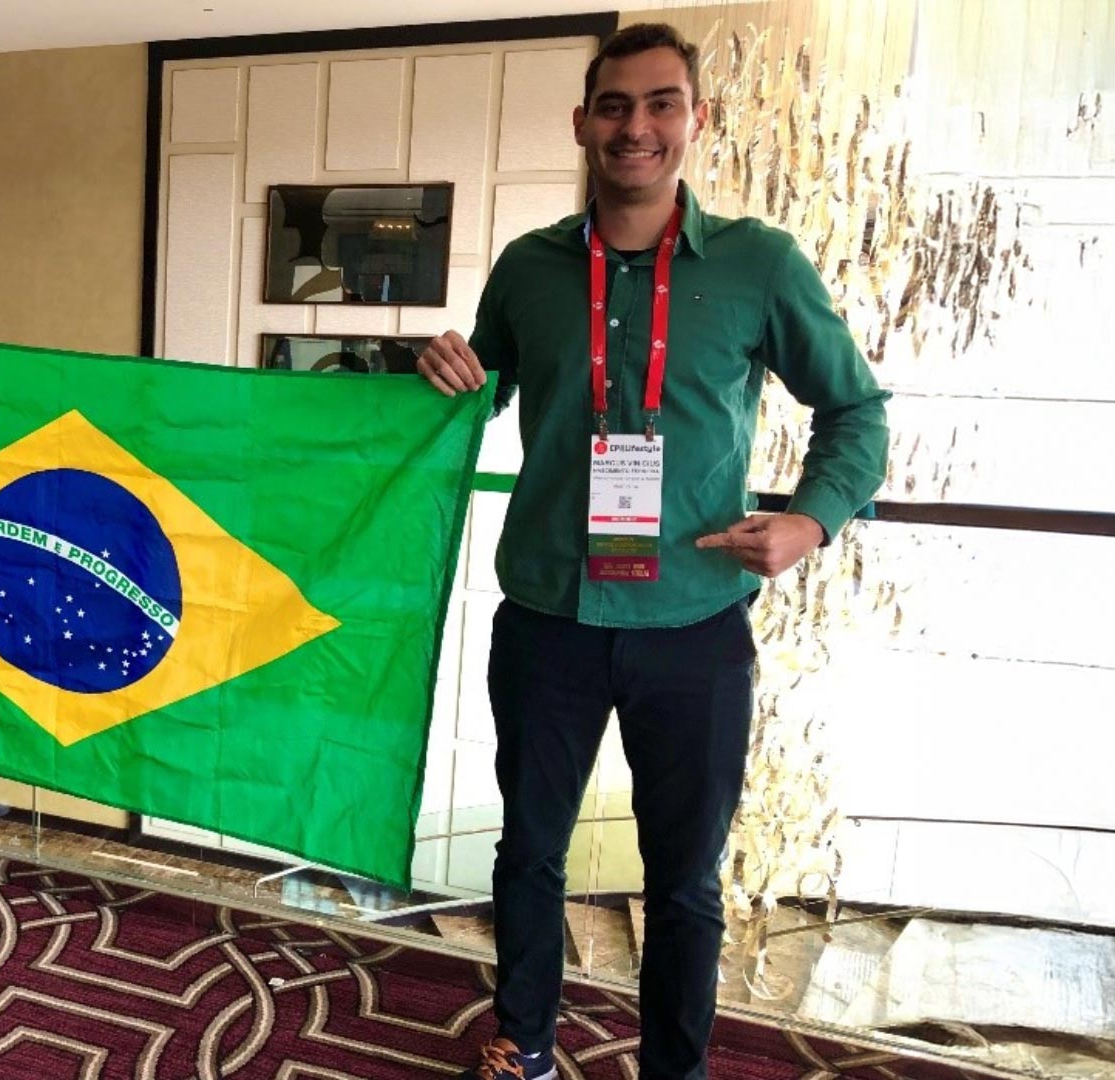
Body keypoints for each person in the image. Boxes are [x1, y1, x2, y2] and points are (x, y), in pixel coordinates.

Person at [418, 24, 888, 1080]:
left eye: (661, 104)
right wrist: (442, 371)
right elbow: (476, 398)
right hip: (548, 618)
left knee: (683, 880)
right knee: (527, 856)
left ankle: (673, 1069)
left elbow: (857, 410)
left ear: (695, 121)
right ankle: (525, 1045)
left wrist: (810, 519)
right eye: (616, 107)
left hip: (695, 626)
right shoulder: (530, 270)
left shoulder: (760, 266)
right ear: (583, 123)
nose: (637, 128)